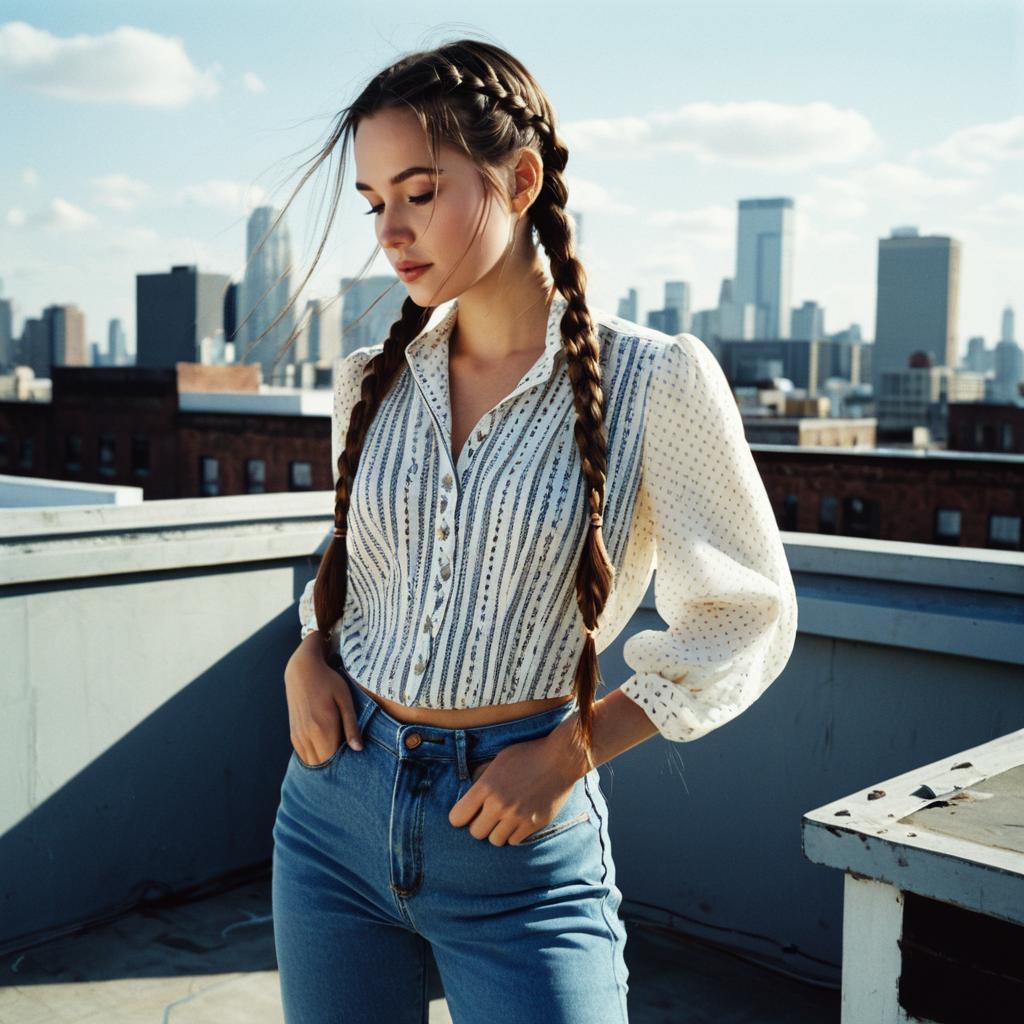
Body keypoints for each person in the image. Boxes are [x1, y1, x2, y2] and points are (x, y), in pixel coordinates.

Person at [268, 37, 798, 1024]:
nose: (391, 229)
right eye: (374, 201)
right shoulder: (366, 384)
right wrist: (309, 651)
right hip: (327, 819)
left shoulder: (656, 380)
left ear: (520, 177)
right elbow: (357, 567)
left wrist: (567, 755)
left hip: (520, 845)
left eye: (419, 191)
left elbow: (745, 617)